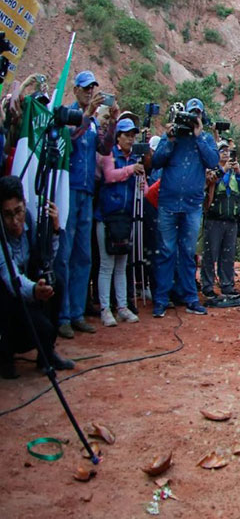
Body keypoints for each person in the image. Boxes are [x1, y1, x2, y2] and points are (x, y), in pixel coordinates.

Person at [150, 98, 220, 317]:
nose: (193, 118)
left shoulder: (205, 138)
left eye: (197, 114)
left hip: (191, 206)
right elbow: (156, 162)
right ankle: (161, 300)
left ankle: (190, 298)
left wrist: (199, 136)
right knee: (166, 252)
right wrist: (169, 139)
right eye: (190, 114)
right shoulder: (171, 136)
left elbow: (213, 161)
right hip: (168, 203)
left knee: (188, 253)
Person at [0, 175, 74, 378]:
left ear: (25, 205)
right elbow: (10, 277)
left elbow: (46, 259)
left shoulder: (30, 221)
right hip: (12, 296)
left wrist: (55, 230)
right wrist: (34, 290)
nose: (15, 221)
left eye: (18, 212)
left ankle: (46, 355)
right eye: (7, 215)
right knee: (5, 298)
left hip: (28, 291)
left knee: (56, 281)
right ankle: (4, 357)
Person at [55, 70, 106, 338]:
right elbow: (70, 138)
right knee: (64, 254)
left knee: (83, 255)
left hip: (88, 192)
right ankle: (62, 314)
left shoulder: (94, 121)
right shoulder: (68, 115)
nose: (89, 92)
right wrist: (88, 117)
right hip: (68, 188)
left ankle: (76, 312)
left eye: (92, 88)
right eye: (85, 88)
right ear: (75, 90)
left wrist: (113, 120)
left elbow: (104, 150)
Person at [94, 117, 144, 326]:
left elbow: (144, 188)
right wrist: (130, 170)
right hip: (106, 216)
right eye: (127, 135)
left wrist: (144, 185)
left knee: (122, 265)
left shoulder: (135, 158)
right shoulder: (109, 154)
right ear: (118, 137)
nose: (131, 140)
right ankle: (106, 308)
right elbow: (109, 176)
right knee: (107, 265)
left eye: (133, 136)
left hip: (125, 217)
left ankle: (122, 306)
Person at [201, 143, 240, 300]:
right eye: (222, 151)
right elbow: (208, 183)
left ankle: (227, 285)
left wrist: (239, 172)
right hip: (214, 218)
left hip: (231, 219)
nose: (226, 154)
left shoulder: (235, 173)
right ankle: (207, 286)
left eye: (228, 151)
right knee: (210, 254)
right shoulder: (211, 170)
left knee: (228, 254)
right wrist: (223, 170)